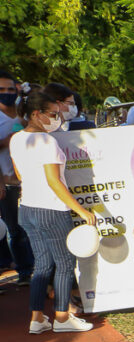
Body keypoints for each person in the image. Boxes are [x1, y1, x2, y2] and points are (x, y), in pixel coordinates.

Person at [11, 88, 97, 333]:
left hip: (27, 207)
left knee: (42, 265)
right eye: (53, 114)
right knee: (64, 264)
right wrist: (81, 211)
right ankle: (62, 318)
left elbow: (19, 174)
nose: (57, 118)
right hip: (51, 209)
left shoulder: (18, 138)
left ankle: (37, 319)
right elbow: (54, 181)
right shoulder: (47, 141)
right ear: (37, 114)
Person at [0, 69, 34, 285]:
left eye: (11, 89)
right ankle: (24, 271)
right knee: (15, 229)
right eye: (1, 89)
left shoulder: (24, 113)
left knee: (32, 227)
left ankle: (37, 269)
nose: (7, 93)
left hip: (30, 180)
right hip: (7, 182)